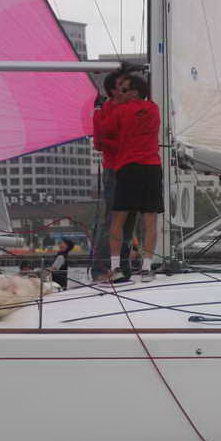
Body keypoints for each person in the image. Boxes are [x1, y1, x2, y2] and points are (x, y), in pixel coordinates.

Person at [95, 74, 163, 283]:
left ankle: (115, 267)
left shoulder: (120, 111)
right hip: (152, 167)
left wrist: (100, 110)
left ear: (133, 92)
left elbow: (103, 132)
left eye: (124, 90)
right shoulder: (154, 109)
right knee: (150, 220)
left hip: (127, 167)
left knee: (117, 220)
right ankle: (146, 268)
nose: (120, 94)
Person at [91, 71, 136, 280]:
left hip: (134, 168)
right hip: (115, 169)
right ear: (112, 90)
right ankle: (102, 268)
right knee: (113, 220)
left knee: (130, 220)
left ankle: (123, 268)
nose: (127, 89)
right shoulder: (106, 110)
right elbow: (99, 142)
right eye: (122, 86)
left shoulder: (134, 108)